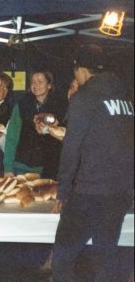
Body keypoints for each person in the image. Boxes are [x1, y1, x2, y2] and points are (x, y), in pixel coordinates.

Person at [52, 45, 134, 282]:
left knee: (63, 257)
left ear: (82, 71)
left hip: (89, 193)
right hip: (118, 194)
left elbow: (71, 149)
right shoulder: (125, 99)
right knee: (105, 259)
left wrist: (62, 192)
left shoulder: (84, 98)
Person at [3, 69, 67, 179]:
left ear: (49, 85)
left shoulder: (61, 107)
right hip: (21, 166)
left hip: (49, 168)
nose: (36, 85)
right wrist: (8, 168)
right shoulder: (22, 105)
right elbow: (11, 137)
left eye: (40, 81)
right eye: (33, 82)